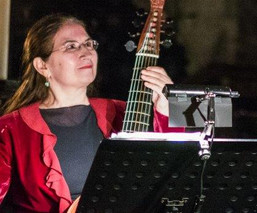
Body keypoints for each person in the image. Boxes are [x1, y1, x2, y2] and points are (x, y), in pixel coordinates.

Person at [0, 14, 180, 212]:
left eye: (88, 44)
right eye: (71, 46)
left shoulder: (124, 113)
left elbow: (173, 170)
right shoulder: (10, 129)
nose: (86, 53)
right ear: (42, 66)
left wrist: (166, 109)